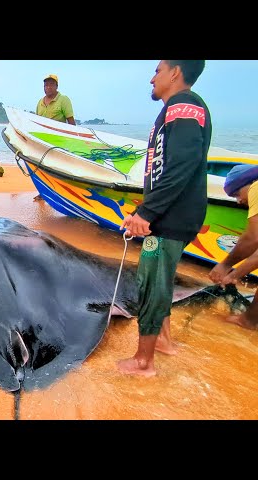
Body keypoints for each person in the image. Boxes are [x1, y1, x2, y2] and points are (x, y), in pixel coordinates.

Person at [117, 60, 211, 377]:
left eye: (158, 70)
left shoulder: (184, 105)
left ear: (175, 72)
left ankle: (144, 362)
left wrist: (147, 213)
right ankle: (163, 341)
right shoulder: (175, 108)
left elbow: (183, 164)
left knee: (150, 281)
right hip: (168, 213)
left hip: (170, 218)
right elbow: (164, 168)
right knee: (161, 278)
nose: (152, 78)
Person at [208, 164, 258, 330]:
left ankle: (248, 321)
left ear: (248, 183)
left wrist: (227, 267)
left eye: (236, 193)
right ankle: (249, 321)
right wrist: (235, 274)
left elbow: (252, 238)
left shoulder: (256, 187)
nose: (238, 201)